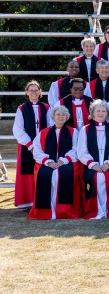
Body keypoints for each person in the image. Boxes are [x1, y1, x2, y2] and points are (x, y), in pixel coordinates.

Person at [28, 105, 82, 219]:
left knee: (60, 174)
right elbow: (37, 149)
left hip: (67, 162)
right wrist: (48, 161)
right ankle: (46, 211)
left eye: (63, 114)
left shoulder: (74, 132)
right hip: (48, 163)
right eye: (58, 114)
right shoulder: (43, 132)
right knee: (49, 174)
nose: (60, 116)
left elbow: (77, 148)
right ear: (53, 116)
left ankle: (63, 211)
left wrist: (63, 160)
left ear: (67, 117)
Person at [77, 100, 109, 219]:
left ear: (107, 114)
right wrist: (93, 164)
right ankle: (95, 209)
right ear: (92, 113)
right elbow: (82, 151)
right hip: (92, 166)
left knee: (108, 176)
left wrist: (108, 164)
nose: (101, 113)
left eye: (103, 111)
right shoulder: (85, 130)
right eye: (98, 111)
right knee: (95, 177)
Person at [13, 81, 52, 209]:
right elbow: (18, 129)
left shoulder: (46, 108)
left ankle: (42, 200)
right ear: (27, 92)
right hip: (26, 146)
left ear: (40, 92)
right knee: (27, 172)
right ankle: (28, 201)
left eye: (36, 90)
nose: (34, 92)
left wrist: (40, 144)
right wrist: (30, 145)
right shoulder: (21, 108)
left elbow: (51, 126)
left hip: (43, 145)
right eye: (31, 90)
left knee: (43, 171)